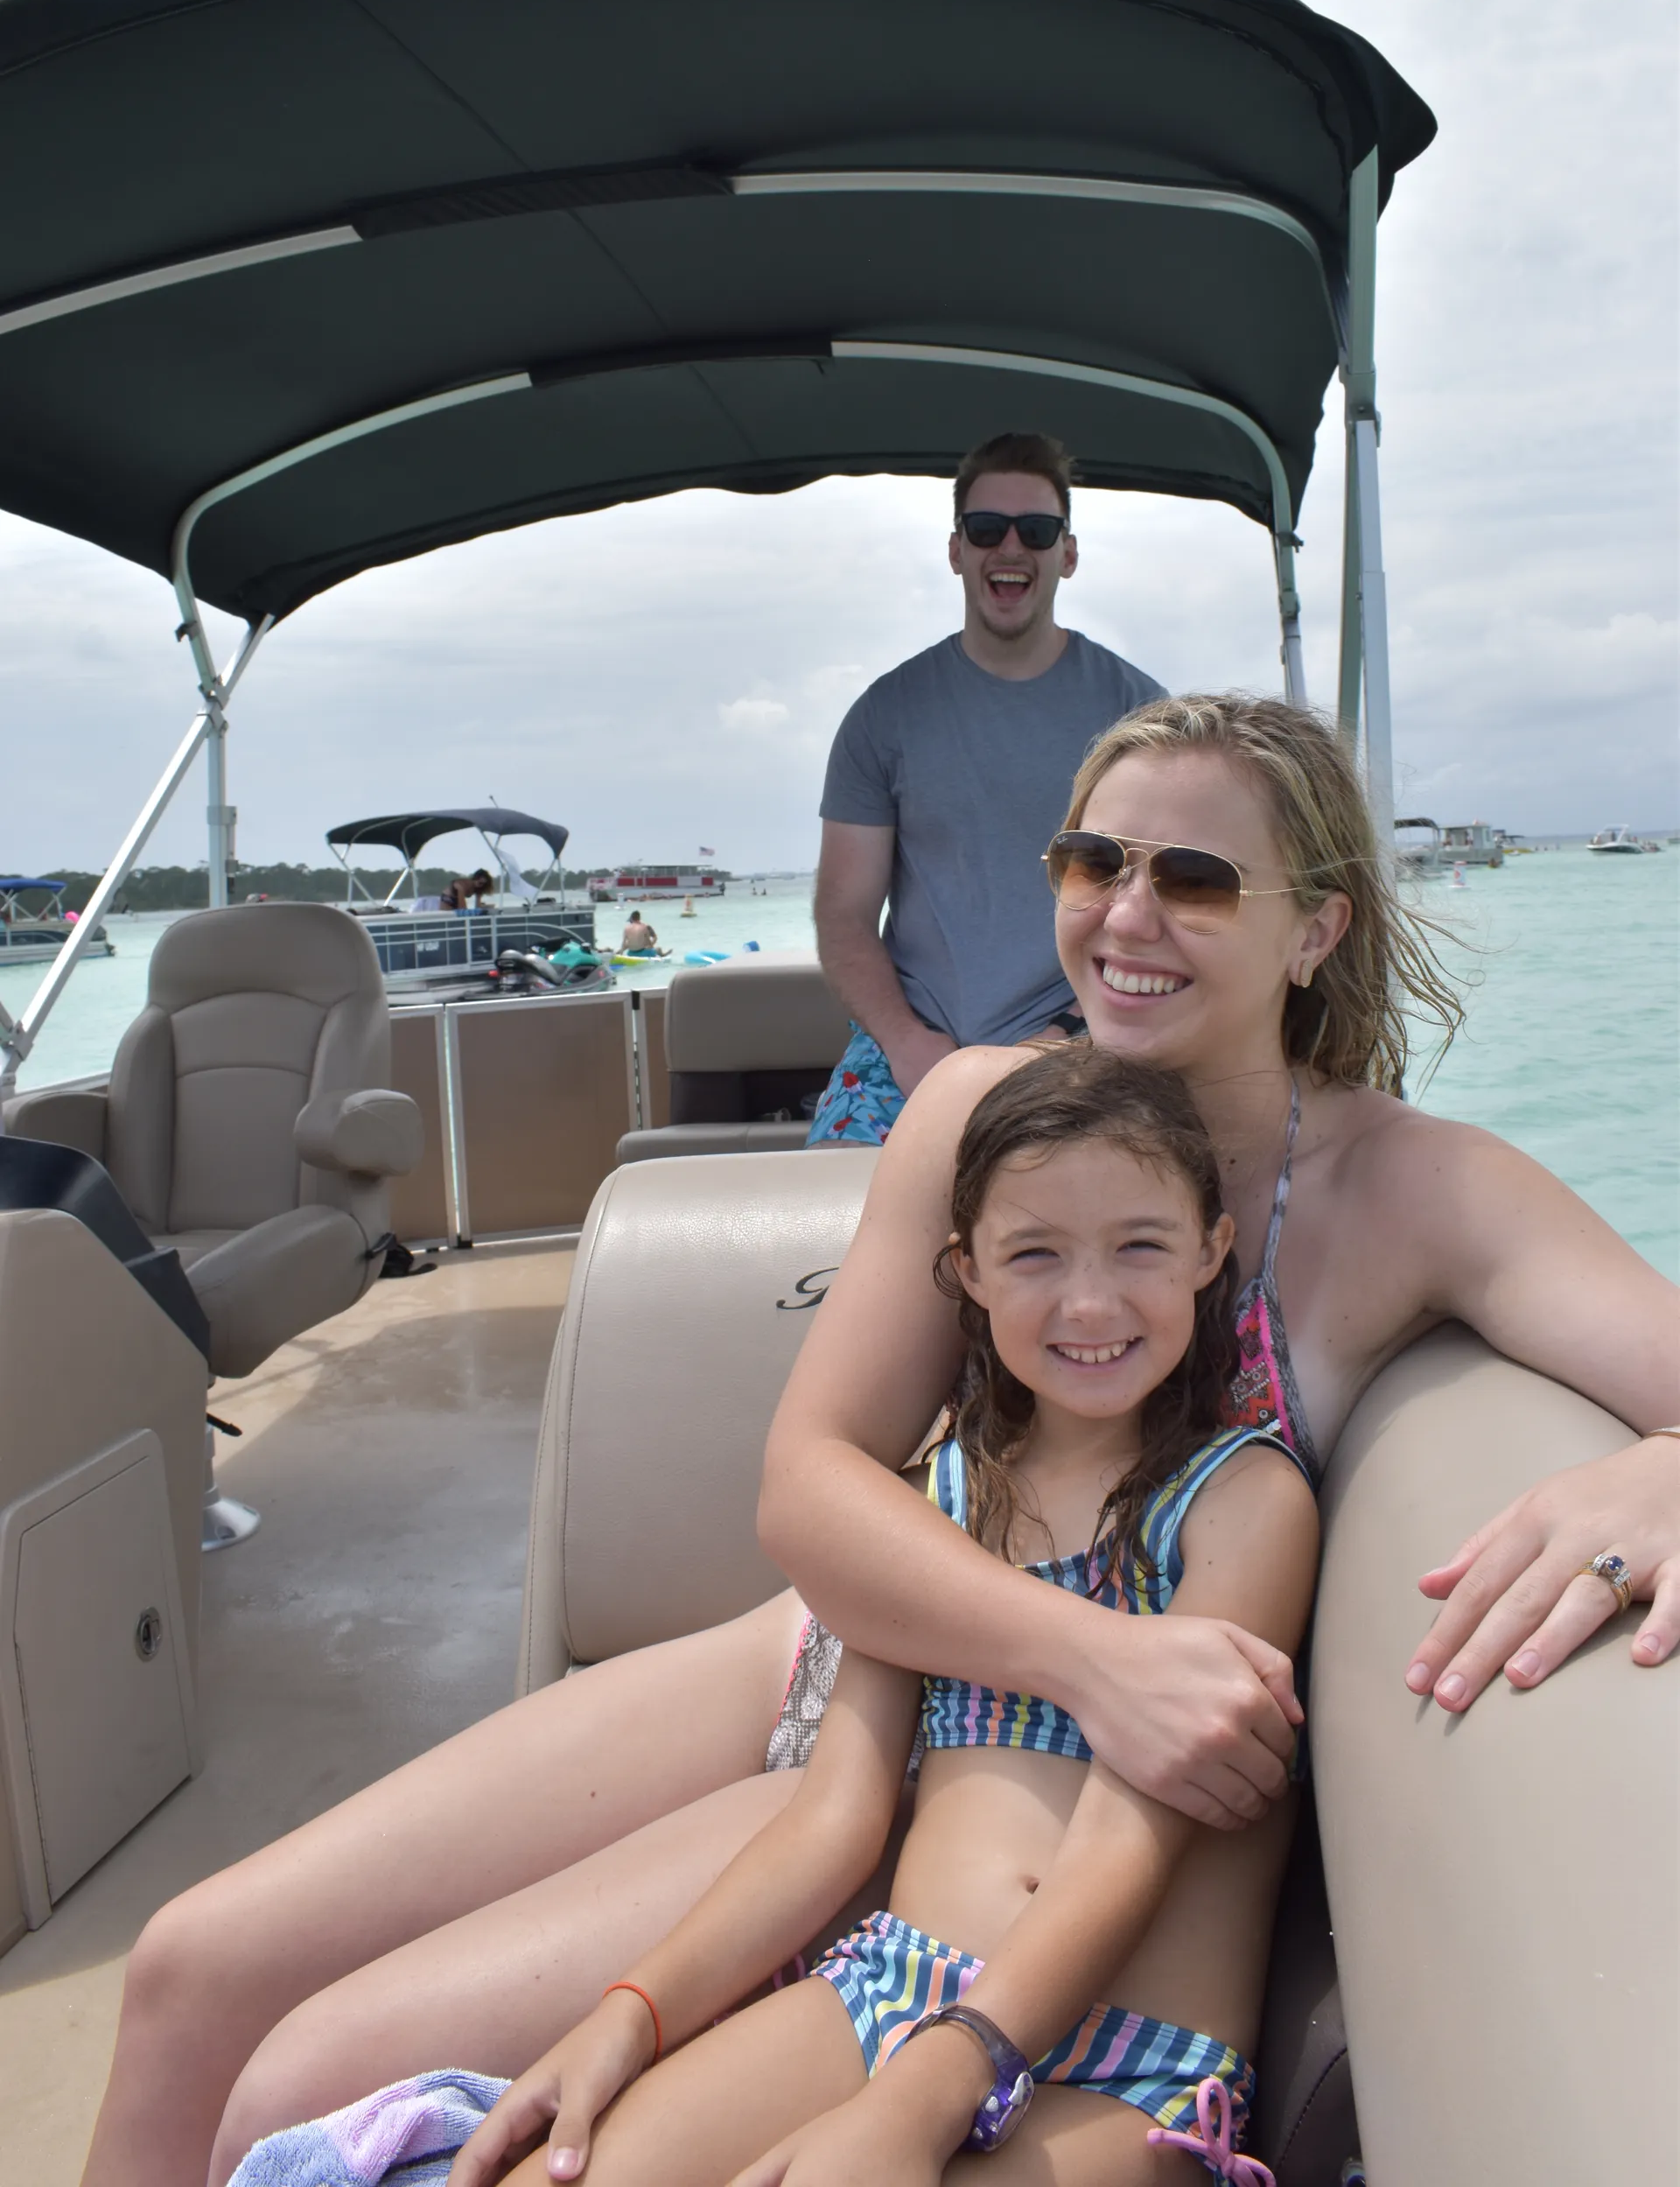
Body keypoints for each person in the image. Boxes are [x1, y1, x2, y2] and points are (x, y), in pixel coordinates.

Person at [86, 697, 1678, 2187]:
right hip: (846, 1665)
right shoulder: (977, 1108)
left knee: (310, 2072)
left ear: (1315, 927)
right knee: (188, 1968)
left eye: (1194, 878)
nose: (1126, 915)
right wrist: (1087, 1655)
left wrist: (1653, 1469)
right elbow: (813, 1482)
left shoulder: (1414, 1193)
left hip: (979, 1794)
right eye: (1093, 861)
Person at [450, 1048, 1316, 2187]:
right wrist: (635, 2011)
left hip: (1127, 2073)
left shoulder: (1243, 1506)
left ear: (1211, 1250)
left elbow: (1122, 1849)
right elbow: (835, 1820)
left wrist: (924, 2094)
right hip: (894, 1989)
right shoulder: (936, 1506)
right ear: (967, 1273)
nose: (1091, 1301)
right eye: (1034, 1253)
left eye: (1140, 1246)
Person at [808, 431, 1162, 1145]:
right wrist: (910, 1047)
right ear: (955, 550)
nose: (1010, 548)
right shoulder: (885, 716)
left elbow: (1161, 912)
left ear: (1066, 554)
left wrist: (1064, 1037)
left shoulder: (1140, 716)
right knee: (832, 1214)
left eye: (1036, 530)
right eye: (984, 528)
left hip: (1088, 1035)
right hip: (912, 1047)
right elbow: (844, 918)